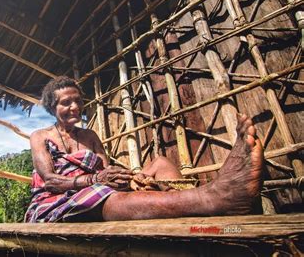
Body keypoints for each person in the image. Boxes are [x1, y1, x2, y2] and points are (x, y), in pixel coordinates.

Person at [24, 76, 263, 223]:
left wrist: (129, 178)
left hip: (97, 188)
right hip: (56, 202)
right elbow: (50, 182)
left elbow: (108, 171)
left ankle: (188, 209)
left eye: (78, 101)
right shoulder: (41, 136)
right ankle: (214, 198)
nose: (75, 107)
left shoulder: (90, 135)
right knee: (111, 198)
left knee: (160, 162)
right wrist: (98, 179)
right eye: (66, 103)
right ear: (52, 107)